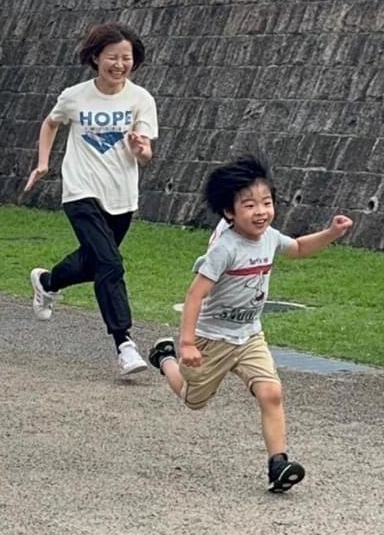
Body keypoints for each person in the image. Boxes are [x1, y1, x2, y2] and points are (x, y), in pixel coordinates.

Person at [148, 154, 353, 493]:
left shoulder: (269, 237)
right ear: (229, 212)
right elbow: (195, 295)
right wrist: (186, 344)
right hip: (212, 339)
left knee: (271, 392)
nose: (261, 212)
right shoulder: (224, 249)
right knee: (192, 400)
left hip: (250, 337)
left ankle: (278, 464)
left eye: (266, 203)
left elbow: (299, 248)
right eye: (249, 205)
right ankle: (165, 357)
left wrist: (332, 233)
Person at [24, 21, 158, 377]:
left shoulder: (141, 99)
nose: (120, 64)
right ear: (96, 57)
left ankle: (48, 282)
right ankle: (124, 344)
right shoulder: (75, 96)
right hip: (80, 191)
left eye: (126, 58)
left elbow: (146, 152)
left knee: (97, 261)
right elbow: (51, 123)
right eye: (112, 57)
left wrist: (140, 150)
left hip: (122, 196)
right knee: (110, 264)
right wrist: (43, 162)